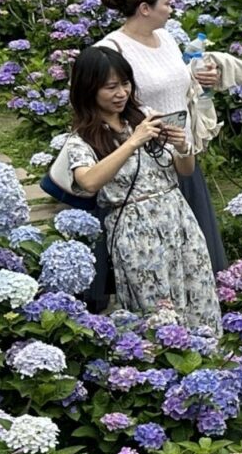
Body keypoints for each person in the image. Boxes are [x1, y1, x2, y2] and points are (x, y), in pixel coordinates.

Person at [52, 45, 220, 333]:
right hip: (135, 232)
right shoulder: (82, 139)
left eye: (125, 84)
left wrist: (182, 147)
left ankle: (210, 365)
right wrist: (132, 143)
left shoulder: (145, 115)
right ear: (88, 89)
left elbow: (185, 170)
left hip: (178, 220)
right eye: (110, 87)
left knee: (199, 298)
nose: (121, 93)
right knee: (157, 314)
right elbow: (89, 181)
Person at [98, 0, 228, 271]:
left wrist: (195, 76)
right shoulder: (110, 49)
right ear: (145, 8)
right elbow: (104, 102)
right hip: (145, 161)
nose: (172, 9)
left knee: (196, 245)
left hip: (182, 151)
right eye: (167, 3)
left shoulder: (167, 38)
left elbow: (169, 82)